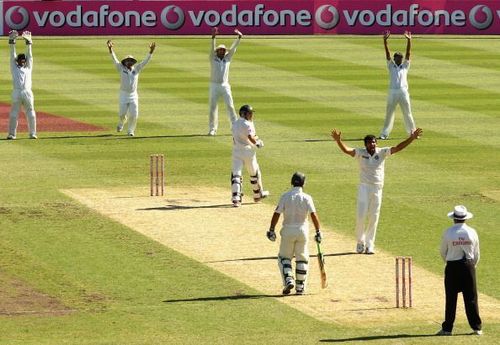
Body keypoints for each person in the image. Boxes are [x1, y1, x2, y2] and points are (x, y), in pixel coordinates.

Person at [331, 127, 422, 254]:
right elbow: (347, 150)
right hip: (364, 187)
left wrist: (411, 138)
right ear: (366, 144)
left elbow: (398, 148)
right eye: (369, 142)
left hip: (378, 188)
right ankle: (360, 242)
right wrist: (338, 141)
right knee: (361, 215)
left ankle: (370, 244)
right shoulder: (360, 153)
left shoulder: (382, 152)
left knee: (374, 217)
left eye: (374, 142)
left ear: (376, 143)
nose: (372, 144)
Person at [266, 172, 322, 295]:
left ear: (291, 182)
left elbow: (277, 214)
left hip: (287, 231)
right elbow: (313, 215)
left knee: (284, 258)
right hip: (303, 231)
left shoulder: (285, 196)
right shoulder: (307, 198)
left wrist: (271, 229)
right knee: (302, 259)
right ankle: (300, 288)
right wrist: (318, 231)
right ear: (304, 183)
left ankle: (288, 279)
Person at [436, 205, 482, 336]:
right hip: (469, 265)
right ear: (465, 218)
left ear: (454, 219)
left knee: (451, 298)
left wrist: (449, 262)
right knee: (471, 298)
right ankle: (477, 327)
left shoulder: (448, 232)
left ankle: (447, 329)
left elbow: (442, 252)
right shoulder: (472, 232)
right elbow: (476, 253)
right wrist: (472, 266)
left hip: (452, 266)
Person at [107, 40, 156, 137]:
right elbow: (114, 59)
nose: (129, 62)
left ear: (133, 62)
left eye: (131, 61)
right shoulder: (120, 68)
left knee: (134, 114)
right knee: (122, 114)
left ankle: (130, 131)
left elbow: (145, 62)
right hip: (123, 95)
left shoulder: (137, 69)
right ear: (124, 62)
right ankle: (122, 122)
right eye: (127, 61)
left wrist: (151, 52)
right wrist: (110, 49)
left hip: (133, 95)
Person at [380, 30, 417, 140]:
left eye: (400, 58)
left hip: (403, 92)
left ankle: (412, 133)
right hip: (392, 92)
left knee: (408, 113)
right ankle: (384, 134)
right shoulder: (391, 65)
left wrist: (409, 40)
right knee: (389, 113)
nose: (399, 60)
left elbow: (408, 54)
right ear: (394, 58)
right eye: (397, 58)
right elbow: (387, 55)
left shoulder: (405, 66)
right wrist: (385, 41)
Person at [230, 104, 269, 207]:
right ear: (244, 114)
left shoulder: (235, 123)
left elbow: (235, 138)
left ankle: (236, 199)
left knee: (236, 175)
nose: (251, 115)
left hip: (236, 151)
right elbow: (251, 136)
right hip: (248, 152)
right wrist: (258, 143)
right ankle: (257, 195)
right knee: (254, 173)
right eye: (250, 113)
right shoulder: (247, 124)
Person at [208, 27, 242, 136]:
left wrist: (239, 38)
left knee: (230, 106)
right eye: (220, 50)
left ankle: (235, 127)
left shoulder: (227, 59)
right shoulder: (212, 58)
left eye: (223, 50)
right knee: (213, 107)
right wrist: (213, 37)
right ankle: (212, 129)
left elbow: (233, 49)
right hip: (214, 85)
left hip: (225, 85)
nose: (222, 51)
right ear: (217, 51)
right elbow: (211, 48)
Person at [7, 30, 37, 140]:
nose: (23, 62)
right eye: (21, 60)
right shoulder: (14, 67)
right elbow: (12, 55)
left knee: (31, 113)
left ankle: (32, 133)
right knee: (14, 114)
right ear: (18, 61)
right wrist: (12, 42)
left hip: (28, 91)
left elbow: (31, 57)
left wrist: (29, 44)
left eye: (24, 60)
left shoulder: (28, 68)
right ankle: (12, 134)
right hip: (17, 91)